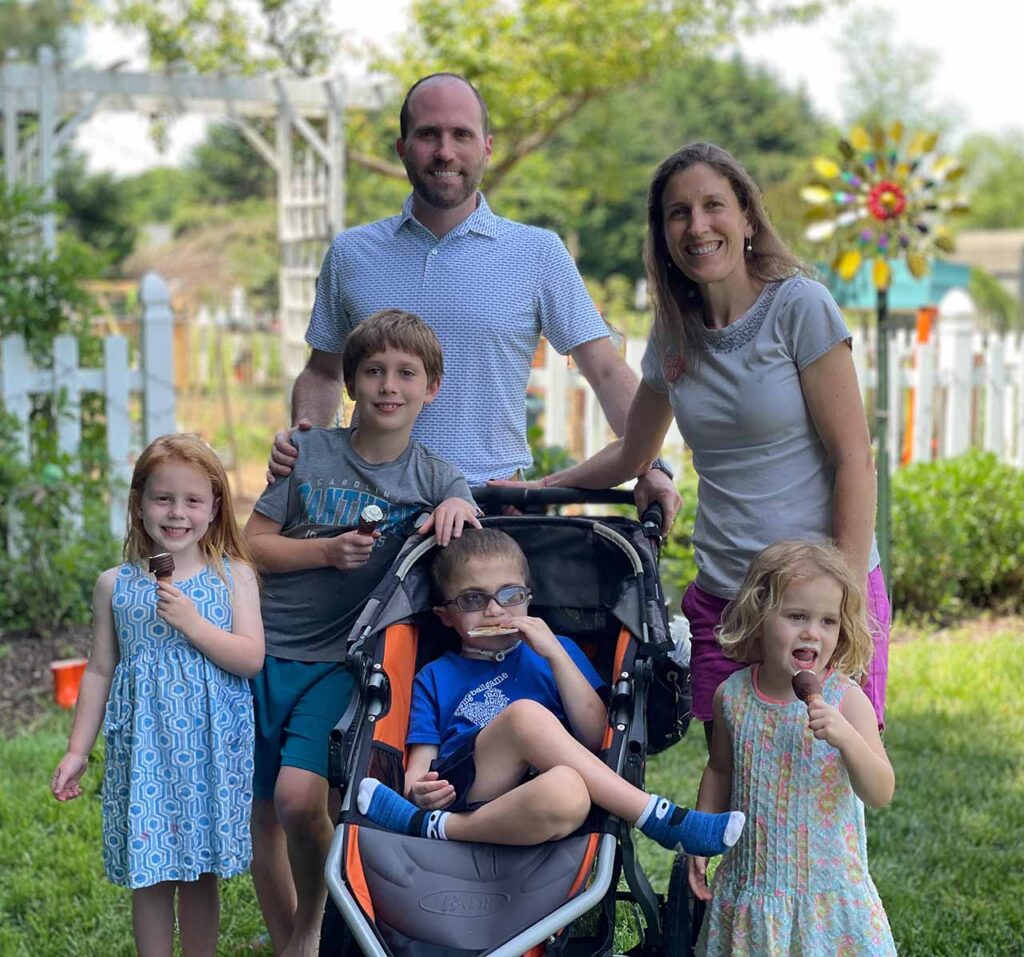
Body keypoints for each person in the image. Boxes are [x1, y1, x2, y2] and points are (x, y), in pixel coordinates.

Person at [505, 142, 889, 737]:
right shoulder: (672, 336)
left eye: (714, 205)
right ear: (662, 234)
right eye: (678, 213)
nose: (697, 225)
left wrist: (844, 597)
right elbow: (635, 452)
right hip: (727, 602)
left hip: (817, 603)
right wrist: (541, 489)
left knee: (828, 784)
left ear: (748, 217)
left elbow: (854, 459)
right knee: (735, 782)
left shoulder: (799, 307)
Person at [267, 71, 679, 523]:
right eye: (428, 135)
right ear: (403, 149)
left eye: (461, 134)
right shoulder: (352, 253)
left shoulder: (538, 253)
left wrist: (650, 465)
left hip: (492, 507)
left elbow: (603, 370)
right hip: (366, 507)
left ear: (487, 146)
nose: (445, 152)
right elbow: (323, 372)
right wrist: (305, 435)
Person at [244, 308, 480, 957]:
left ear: (431, 388)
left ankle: (314, 920)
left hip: (340, 662)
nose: (388, 384)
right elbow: (253, 542)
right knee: (259, 815)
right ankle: (290, 937)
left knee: (299, 799)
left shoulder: (435, 476)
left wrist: (459, 505)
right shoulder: (310, 452)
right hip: (263, 650)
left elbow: (467, 520)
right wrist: (322, 553)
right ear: (350, 383)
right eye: (373, 370)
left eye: (406, 372)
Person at [356, 528, 745, 857]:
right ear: (446, 615)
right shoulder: (435, 676)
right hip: (472, 780)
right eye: (473, 600)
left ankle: (438, 828)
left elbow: (596, 737)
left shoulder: (558, 652)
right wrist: (419, 792)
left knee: (569, 793)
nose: (495, 611)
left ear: (528, 598)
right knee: (526, 716)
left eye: (509, 595)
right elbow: (417, 773)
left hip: (535, 793)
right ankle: (655, 816)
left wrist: (556, 654)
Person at [51, 434, 264, 957]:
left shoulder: (233, 577)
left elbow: (250, 658)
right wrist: (78, 750)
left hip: (208, 752)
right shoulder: (115, 585)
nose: (177, 512)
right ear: (139, 503)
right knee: (150, 872)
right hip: (144, 750)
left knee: (197, 871)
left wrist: (193, 624)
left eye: (193, 500)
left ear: (215, 507)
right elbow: (100, 670)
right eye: (163, 498)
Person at [688, 540, 896, 956]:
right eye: (797, 616)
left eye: (828, 622)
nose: (812, 632)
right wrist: (701, 835)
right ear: (759, 616)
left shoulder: (846, 700)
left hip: (827, 895)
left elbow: (880, 791)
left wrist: (847, 737)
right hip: (753, 886)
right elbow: (720, 771)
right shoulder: (732, 697)